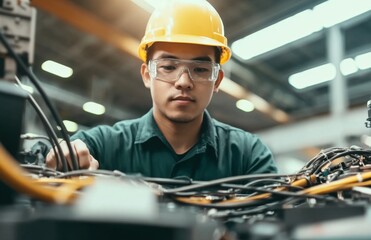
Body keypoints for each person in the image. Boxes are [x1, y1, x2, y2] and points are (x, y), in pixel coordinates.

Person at [46, 0, 278, 180]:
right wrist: (64, 156)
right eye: (168, 67)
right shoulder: (102, 145)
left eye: (200, 69)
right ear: (148, 75)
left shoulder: (248, 155)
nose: (183, 82)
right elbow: (51, 160)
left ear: (216, 80)